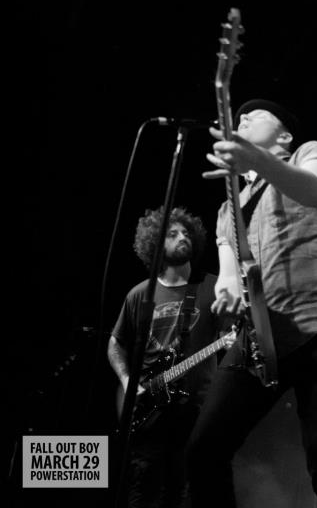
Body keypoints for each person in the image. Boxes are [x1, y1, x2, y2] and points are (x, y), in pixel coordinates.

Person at [185, 99, 317, 507]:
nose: (243, 118)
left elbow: (314, 190)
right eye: (240, 117)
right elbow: (229, 273)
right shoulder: (228, 208)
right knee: (204, 449)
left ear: (284, 136)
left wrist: (257, 161)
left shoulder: (307, 153)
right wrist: (227, 290)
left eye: (256, 115)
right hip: (260, 335)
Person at [108, 206, 228, 508]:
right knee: (143, 488)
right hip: (147, 412)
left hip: (196, 410)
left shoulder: (213, 287)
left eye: (186, 232)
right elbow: (115, 343)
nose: (182, 237)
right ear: (154, 243)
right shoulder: (140, 294)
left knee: (187, 489)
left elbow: (234, 336)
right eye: (172, 234)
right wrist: (127, 380)